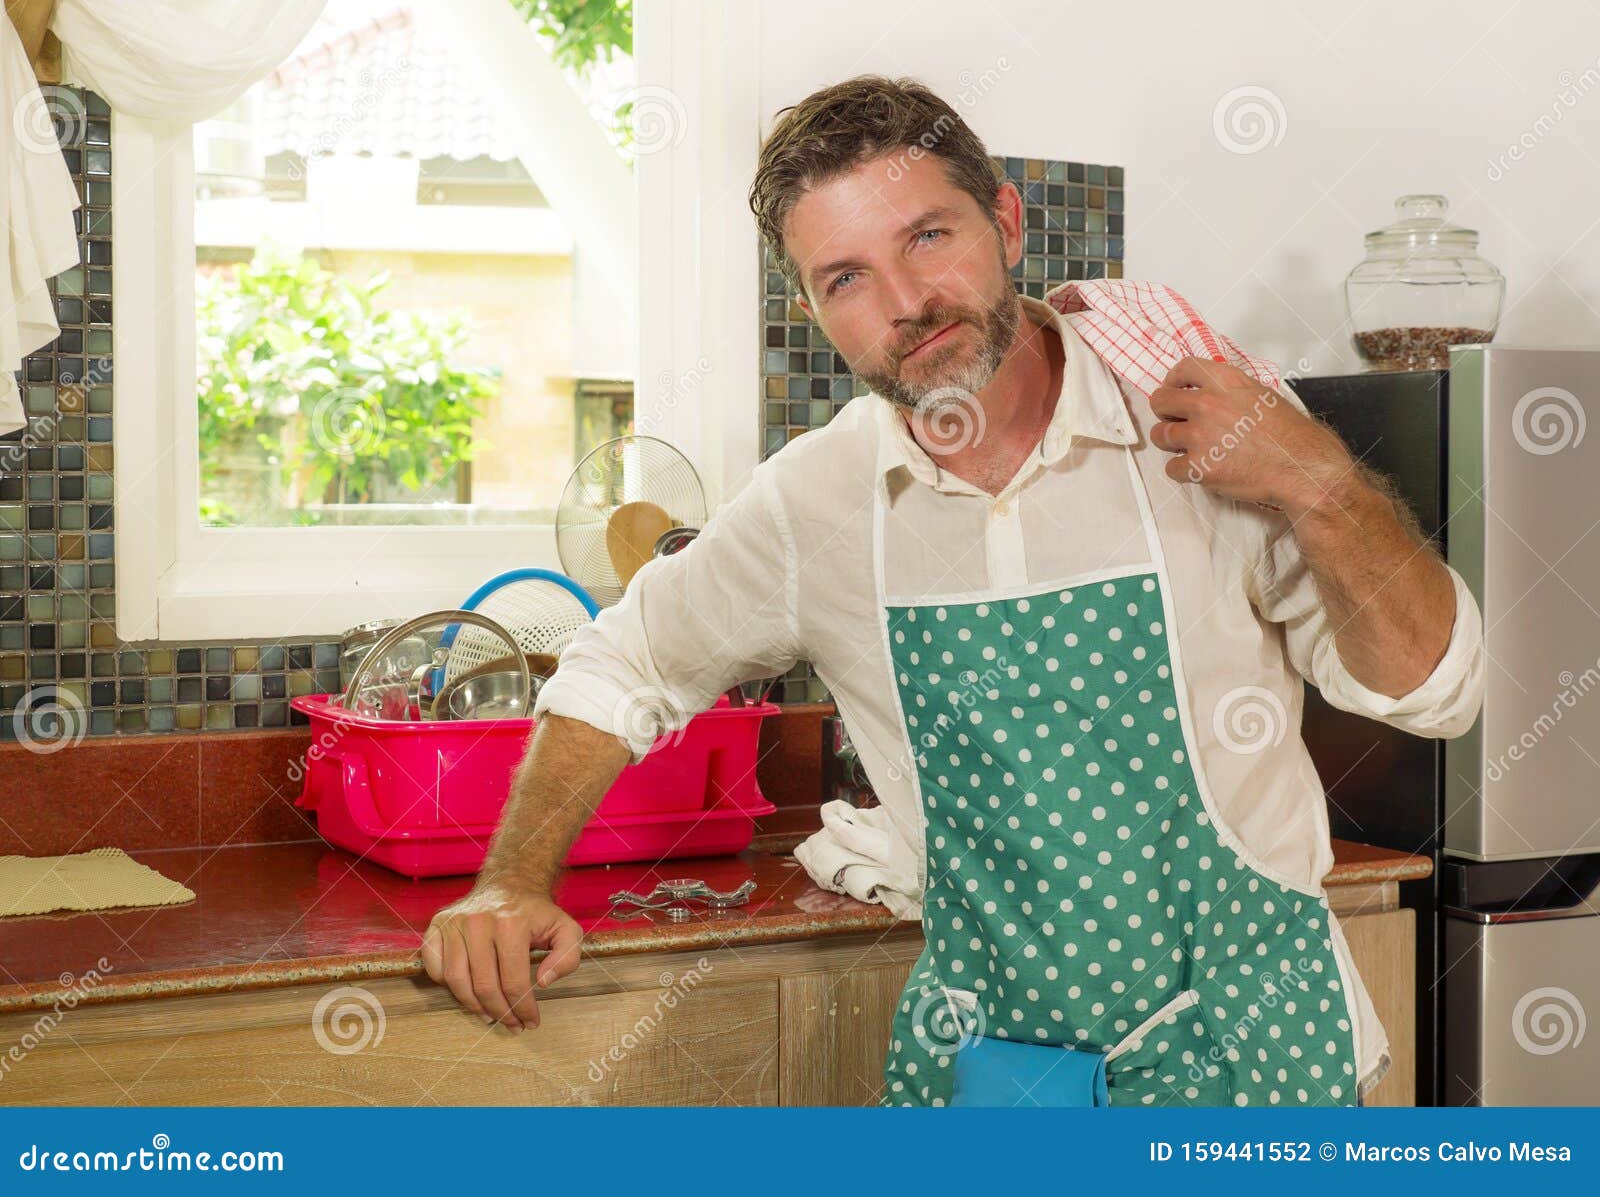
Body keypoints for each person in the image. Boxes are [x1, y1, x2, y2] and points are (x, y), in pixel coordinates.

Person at [421, 75, 1484, 1107]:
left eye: (929, 236)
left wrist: (1321, 482)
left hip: (1263, 1062)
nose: (905, 304)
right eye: (846, 277)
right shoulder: (815, 502)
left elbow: (1436, 691)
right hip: (998, 1078)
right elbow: (625, 663)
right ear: (814, 310)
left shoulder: (1204, 421)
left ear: (1008, 223)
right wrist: (511, 878)